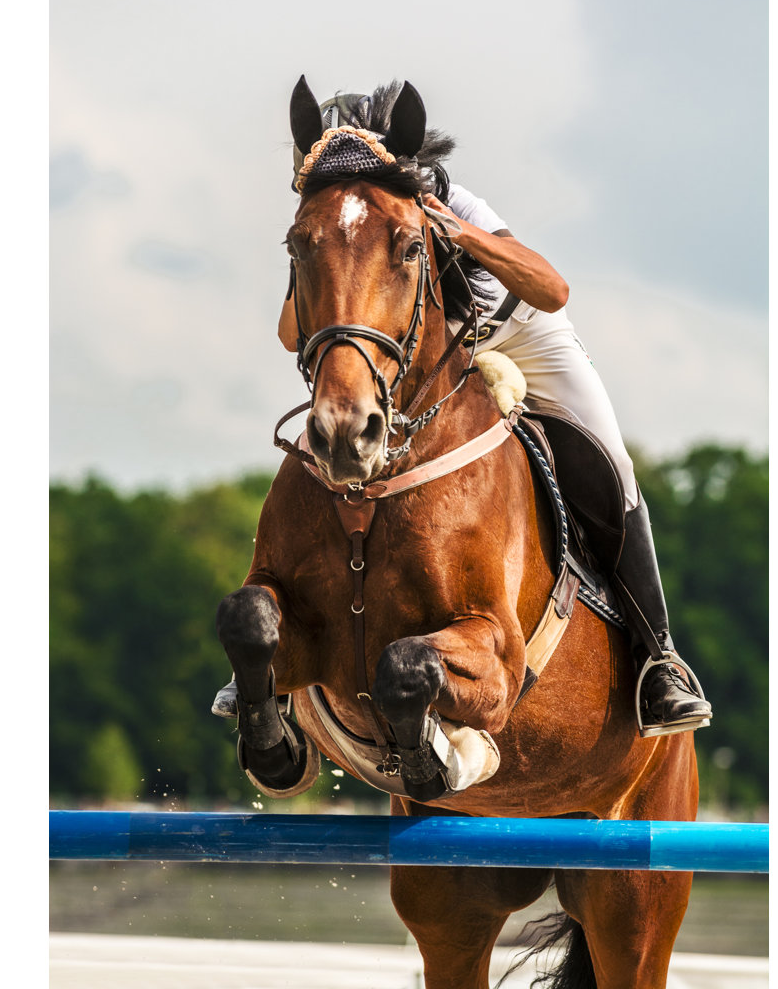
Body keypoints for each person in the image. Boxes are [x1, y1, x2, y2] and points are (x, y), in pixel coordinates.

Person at [281, 84, 712, 738]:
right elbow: (292, 335)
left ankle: (659, 658)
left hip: (523, 332)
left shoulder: (450, 203)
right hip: (424, 357)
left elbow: (554, 288)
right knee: (334, 447)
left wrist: (460, 234)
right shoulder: (340, 224)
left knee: (613, 463)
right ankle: (280, 660)